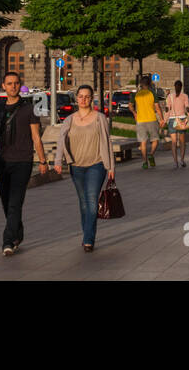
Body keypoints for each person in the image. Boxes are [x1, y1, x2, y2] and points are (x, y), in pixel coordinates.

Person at [0, 72, 49, 256]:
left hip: (23, 161)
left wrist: (42, 161)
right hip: (3, 162)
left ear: (20, 85)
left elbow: (36, 137)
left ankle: (8, 241)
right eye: (9, 83)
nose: (13, 86)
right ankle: (17, 233)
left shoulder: (29, 108)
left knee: (15, 202)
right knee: (6, 202)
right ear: (3, 86)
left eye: (16, 83)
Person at [53, 84, 114, 251]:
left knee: (92, 200)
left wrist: (111, 167)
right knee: (83, 203)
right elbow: (61, 141)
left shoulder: (99, 118)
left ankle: (88, 239)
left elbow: (107, 141)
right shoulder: (69, 120)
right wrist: (58, 161)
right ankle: (87, 232)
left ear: (91, 98)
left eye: (87, 96)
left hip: (97, 164)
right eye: (80, 96)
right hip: (76, 166)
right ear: (76, 98)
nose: (83, 99)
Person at [129, 75, 161, 168]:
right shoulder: (152, 93)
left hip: (140, 121)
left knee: (143, 142)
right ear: (150, 83)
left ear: (141, 84)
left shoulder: (136, 94)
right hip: (152, 119)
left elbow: (130, 106)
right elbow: (157, 108)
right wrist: (162, 119)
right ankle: (151, 154)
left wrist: (135, 113)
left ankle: (145, 162)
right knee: (155, 140)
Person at [163, 80, 189, 167]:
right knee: (182, 142)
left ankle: (175, 162)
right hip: (182, 120)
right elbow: (188, 109)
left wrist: (164, 121)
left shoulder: (170, 96)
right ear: (182, 87)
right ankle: (182, 160)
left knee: (173, 142)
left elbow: (167, 110)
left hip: (172, 121)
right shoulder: (185, 96)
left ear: (174, 86)